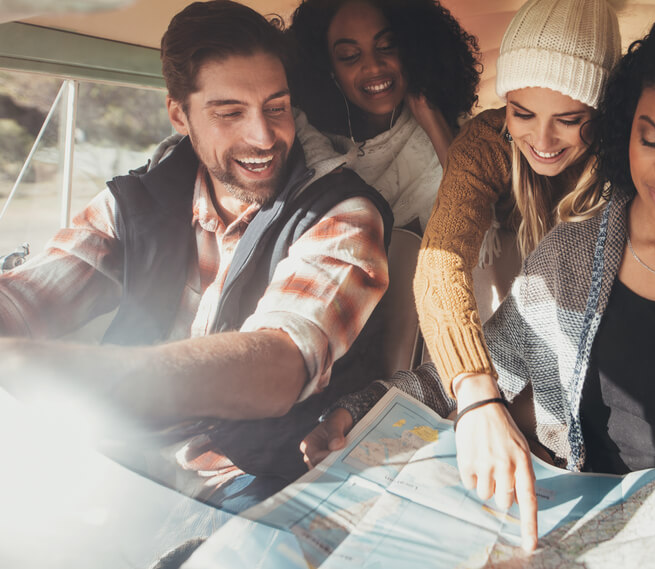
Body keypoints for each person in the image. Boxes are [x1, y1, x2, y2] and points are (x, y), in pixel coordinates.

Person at [302, 0, 655, 566]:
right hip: (583, 531)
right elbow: (459, 370)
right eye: (651, 139)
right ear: (625, 125)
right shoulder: (567, 256)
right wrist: (360, 410)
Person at [0, 0, 392, 512]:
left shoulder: (341, 212)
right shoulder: (135, 202)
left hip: (258, 474)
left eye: (276, 107)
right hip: (117, 456)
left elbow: (282, 359)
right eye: (230, 113)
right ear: (179, 115)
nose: (264, 135)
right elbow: (32, 292)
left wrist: (98, 378)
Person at [413, 0, 620, 424]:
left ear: (602, 114)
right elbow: (440, 262)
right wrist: (476, 393)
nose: (542, 138)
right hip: (508, 343)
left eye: (569, 119)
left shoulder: (626, 158)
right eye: (522, 113)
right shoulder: (485, 145)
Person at [286, 0, 480, 231]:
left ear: (412, 49)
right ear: (329, 69)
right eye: (349, 55)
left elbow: (480, 216)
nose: (374, 66)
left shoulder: (463, 133)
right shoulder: (312, 148)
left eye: (387, 45)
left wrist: (432, 121)